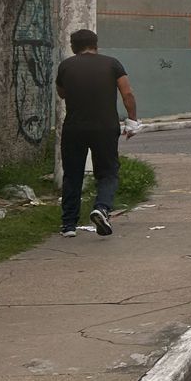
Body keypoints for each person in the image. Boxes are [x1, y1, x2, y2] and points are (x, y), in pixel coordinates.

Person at [54, 29, 139, 238]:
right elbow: (127, 93)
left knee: (73, 174)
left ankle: (68, 225)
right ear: (96, 44)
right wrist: (132, 120)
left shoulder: (66, 66)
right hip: (105, 128)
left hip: (74, 128)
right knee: (108, 172)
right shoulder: (112, 64)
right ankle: (101, 208)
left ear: (73, 47)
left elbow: (62, 93)